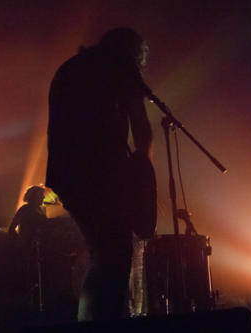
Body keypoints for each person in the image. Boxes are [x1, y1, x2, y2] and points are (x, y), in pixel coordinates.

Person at [46, 27, 156, 321]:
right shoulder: (122, 71)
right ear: (133, 56)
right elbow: (143, 131)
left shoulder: (70, 69)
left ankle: (101, 318)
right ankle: (107, 320)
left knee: (104, 253)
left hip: (67, 177)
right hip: (102, 177)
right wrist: (141, 183)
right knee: (115, 253)